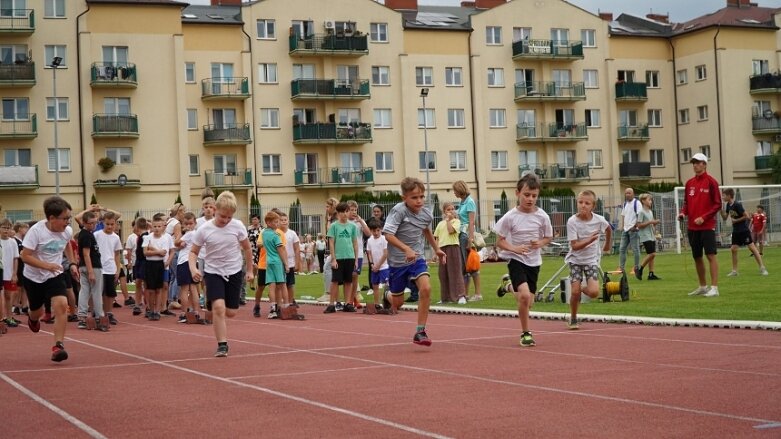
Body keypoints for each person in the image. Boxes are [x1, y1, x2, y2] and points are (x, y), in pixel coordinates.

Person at [189, 191, 254, 357]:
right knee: (219, 308)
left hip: (233, 271)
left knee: (231, 312)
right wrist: (193, 268)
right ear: (215, 209)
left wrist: (250, 270)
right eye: (222, 216)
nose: (225, 220)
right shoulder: (204, 229)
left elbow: (247, 248)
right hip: (213, 271)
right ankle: (222, 344)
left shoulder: (238, 226)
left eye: (229, 218)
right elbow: (193, 252)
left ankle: (214, 304)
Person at [382, 177, 446, 346]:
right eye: (414, 197)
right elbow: (387, 234)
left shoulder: (426, 213)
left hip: (417, 258)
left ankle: (420, 331)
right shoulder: (398, 211)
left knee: (426, 288)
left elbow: (426, 229)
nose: (419, 201)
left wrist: (436, 248)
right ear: (405, 198)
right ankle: (387, 294)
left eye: (422, 197)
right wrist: (406, 249)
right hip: (397, 262)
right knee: (398, 303)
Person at [494, 174, 553, 347]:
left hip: (534, 261)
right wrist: (514, 249)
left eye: (534, 196)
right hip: (515, 259)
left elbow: (548, 237)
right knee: (525, 296)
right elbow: (499, 241)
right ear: (517, 193)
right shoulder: (510, 217)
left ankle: (507, 286)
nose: (530, 199)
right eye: (526, 195)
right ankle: (526, 333)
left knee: (529, 303)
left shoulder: (543, 216)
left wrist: (539, 243)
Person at [21, 196, 80, 362]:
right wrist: (47, 266)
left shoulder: (66, 231)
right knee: (36, 311)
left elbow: (67, 244)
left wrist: (72, 263)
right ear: (52, 218)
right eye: (65, 218)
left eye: (69, 218)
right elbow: (25, 256)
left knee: (61, 305)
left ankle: (58, 346)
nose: (68, 222)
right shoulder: (36, 232)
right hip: (33, 277)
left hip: (55, 275)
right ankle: (33, 319)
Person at [563, 190, 612, 329]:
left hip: (591, 260)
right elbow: (574, 246)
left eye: (587, 203)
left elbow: (608, 229)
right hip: (575, 260)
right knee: (574, 292)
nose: (583, 205)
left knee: (594, 292)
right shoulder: (572, 221)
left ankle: (581, 289)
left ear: (593, 206)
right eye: (580, 202)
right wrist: (589, 240)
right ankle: (573, 318)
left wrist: (607, 244)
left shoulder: (599, 220)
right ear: (577, 203)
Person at [678, 153, 722, 298]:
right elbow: (686, 203)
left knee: (710, 255)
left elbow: (717, 205)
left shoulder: (711, 182)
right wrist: (683, 213)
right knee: (697, 257)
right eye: (693, 163)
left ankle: (714, 287)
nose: (695, 165)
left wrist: (704, 218)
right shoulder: (689, 183)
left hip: (707, 226)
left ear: (704, 164)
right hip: (692, 228)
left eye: (697, 162)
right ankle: (703, 286)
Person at [720, 188, 768, 277]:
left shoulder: (737, 205)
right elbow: (725, 218)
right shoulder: (728, 205)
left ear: (729, 196)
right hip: (736, 231)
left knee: (752, 248)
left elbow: (746, 216)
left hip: (743, 230)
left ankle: (762, 268)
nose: (722, 197)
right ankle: (734, 271)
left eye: (724, 195)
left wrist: (736, 220)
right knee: (733, 249)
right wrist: (720, 210)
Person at [325, 202, 359, 313]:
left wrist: (356, 259)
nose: (344, 214)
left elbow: (355, 243)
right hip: (338, 257)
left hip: (349, 256)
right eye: (341, 212)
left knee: (348, 281)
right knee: (335, 281)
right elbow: (331, 243)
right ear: (338, 214)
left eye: (346, 211)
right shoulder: (334, 226)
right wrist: (333, 258)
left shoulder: (353, 226)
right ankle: (331, 304)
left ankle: (348, 303)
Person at [452, 180, 482, 302]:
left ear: (459, 190)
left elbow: (471, 222)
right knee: (464, 266)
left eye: (455, 190)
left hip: (465, 236)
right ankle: (465, 293)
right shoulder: (463, 202)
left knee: (471, 265)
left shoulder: (469, 202)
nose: (454, 193)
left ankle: (478, 294)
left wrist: (470, 239)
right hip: (461, 234)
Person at [76, 210, 107, 331]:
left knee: (84, 291)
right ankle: (100, 316)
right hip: (92, 267)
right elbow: (86, 254)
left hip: (84, 267)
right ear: (84, 223)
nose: (93, 225)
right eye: (90, 223)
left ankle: (82, 317)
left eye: (95, 223)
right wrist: (90, 272)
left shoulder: (86, 233)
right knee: (96, 292)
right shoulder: (86, 235)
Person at [433, 202, 466, 304]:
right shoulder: (439, 224)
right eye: (448, 209)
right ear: (444, 211)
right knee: (443, 274)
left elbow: (451, 231)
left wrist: (448, 221)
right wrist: (436, 252)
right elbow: (437, 238)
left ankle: (460, 296)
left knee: (455, 272)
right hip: (442, 249)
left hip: (453, 247)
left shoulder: (456, 221)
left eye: (452, 209)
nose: (451, 211)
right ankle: (445, 297)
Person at [143, 213, 174, 320]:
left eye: (159, 226)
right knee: (151, 289)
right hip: (150, 265)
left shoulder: (165, 238)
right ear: (151, 226)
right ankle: (151, 310)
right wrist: (158, 252)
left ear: (163, 227)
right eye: (155, 226)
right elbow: (145, 252)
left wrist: (155, 251)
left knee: (159, 289)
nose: (157, 229)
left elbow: (165, 253)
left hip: (160, 264)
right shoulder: (147, 238)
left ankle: (157, 311)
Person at [260, 210, 290, 320]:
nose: (277, 224)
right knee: (283, 285)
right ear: (268, 222)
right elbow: (281, 250)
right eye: (275, 222)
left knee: (271, 286)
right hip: (277, 262)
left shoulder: (264, 234)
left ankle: (272, 310)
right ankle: (287, 309)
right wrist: (286, 264)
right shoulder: (275, 235)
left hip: (269, 261)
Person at [94, 211, 123, 326]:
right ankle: (97, 314)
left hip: (110, 268)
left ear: (115, 224)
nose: (110, 226)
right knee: (98, 292)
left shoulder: (116, 238)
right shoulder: (96, 235)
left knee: (110, 293)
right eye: (107, 224)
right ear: (103, 223)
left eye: (112, 224)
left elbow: (117, 254)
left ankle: (109, 313)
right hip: (99, 268)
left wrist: (118, 269)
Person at [175, 212, 203, 323]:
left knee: (184, 289)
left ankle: (183, 313)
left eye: (190, 223)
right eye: (186, 224)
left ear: (195, 223)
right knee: (193, 289)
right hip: (193, 262)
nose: (188, 226)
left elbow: (176, 243)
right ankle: (196, 312)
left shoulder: (189, 234)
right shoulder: (197, 234)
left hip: (184, 262)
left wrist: (180, 234)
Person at [365, 218, 389, 314]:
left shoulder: (384, 239)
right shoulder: (370, 240)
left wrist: (378, 265)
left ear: (381, 229)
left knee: (387, 285)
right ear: (370, 230)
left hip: (384, 266)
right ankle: (376, 304)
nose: (376, 233)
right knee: (375, 286)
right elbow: (369, 253)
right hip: (374, 267)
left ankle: (388, 302)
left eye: (378, 230)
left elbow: (385, 254)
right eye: (373, 231)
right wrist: (372, 264)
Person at [636, 193, 661, 280]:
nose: (650, 201)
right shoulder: (641, 212)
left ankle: (651, 274)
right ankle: (640, 269)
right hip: (645, 236)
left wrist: (655, 225)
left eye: (651, 200)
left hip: (651, 235)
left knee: (652, 255)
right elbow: (639, 225)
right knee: (652, 253)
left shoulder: (650, 211)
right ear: (643, 201)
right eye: (649, 200)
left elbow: (652, 222)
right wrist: (651, 222)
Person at [1, 219, 20, 328]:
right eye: (4, 227)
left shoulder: (12, 242)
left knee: (9, 296)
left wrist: (14, 273)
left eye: (8, 228)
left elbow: (15, 258)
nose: (6, 230)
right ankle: (2, 318)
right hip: (1, 272)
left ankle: (9, 317)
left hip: (9, 273)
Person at [618, 187, 641, 275]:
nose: (627, 195)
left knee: (635, 249)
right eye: (626, 193)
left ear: (633, 194)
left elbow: (639, 215)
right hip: (626, 230)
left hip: (633, 230)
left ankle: (636, 267)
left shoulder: (637, 203)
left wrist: (635, 226)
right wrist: (623, 226)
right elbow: (623, 215)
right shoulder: (625, 204)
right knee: (622, 249)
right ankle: (621, 268)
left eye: (629, 193)